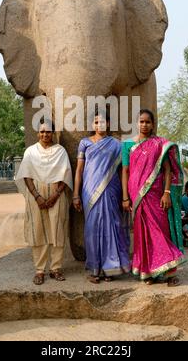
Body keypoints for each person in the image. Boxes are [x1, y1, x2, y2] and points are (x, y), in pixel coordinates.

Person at [122, 109, 186, 287]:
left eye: (147, 122)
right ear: (137, 123)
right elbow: (125, 171)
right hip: (136, 195)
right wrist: (125, 197)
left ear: (152, 124)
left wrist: (166, 193)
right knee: (142, 234)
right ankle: (147, 272)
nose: (144, 125)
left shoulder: (159, 144)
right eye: (141, 122)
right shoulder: (127, 145)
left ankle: (170, 271)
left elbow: (167, 169)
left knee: (160, 231)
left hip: (156, 193)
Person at [73, 112, 130, 284]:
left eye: (103, 122)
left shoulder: (117, 145)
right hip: (89, 191)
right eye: (96, 122)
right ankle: (94, 269)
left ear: (109, 124)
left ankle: (109, 268)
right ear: (92, 125)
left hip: (111, 190)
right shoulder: (85, 143)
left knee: (111, 226)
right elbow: (79, 171)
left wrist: (125, 195)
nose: (99, 125)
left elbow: (122, 171)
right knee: (92, 230)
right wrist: (75, 194)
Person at [16, 118, 73, 286]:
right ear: (37, 133)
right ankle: (39, 270)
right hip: (36, 195)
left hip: (57, 194)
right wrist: (37, 196)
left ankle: (56, 268)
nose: (45, 134)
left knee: (58, 230)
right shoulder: (31, 152)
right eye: (42, 131)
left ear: (53, 133)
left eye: (48, 131)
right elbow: (26, 176)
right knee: (38, 232)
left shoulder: (60, 151)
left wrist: (55, 195)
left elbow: (65, 175)